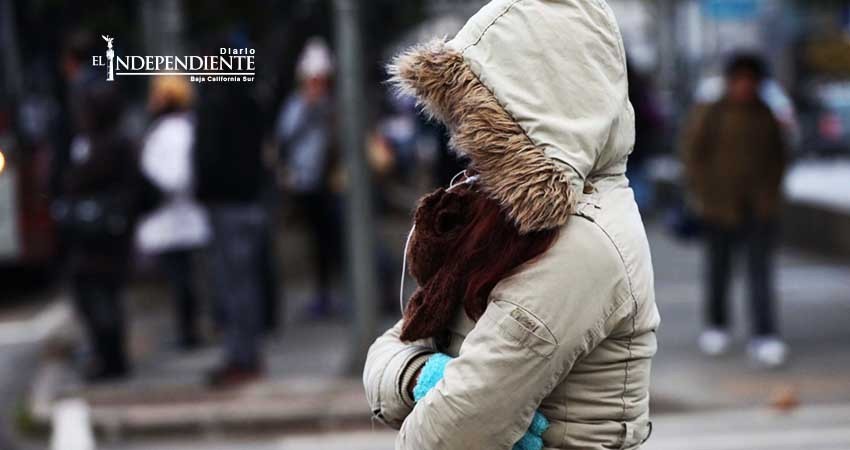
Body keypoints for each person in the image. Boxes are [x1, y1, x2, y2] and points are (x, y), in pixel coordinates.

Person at [363, 1, 660, 449]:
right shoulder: (500, 218)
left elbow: (449, 433)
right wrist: (420, 377)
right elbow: (391, 346)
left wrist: (433, 383)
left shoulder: (581, 243)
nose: (466, 137)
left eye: (486, 115)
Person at [681, 53, 789, 367]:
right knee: (718, 270)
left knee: (760, 274)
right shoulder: (710, 114)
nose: (744, 86)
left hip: (759, 208)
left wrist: (770, 195)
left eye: (750, 80)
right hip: (718, 207)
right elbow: (692, 154)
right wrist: (703, 194)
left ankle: (765, 334)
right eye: (739, 79)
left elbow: (779, 157)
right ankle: (717, 325)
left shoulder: (766, 114)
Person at [195, 71, 268, 388]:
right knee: (245, 284)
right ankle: (245, 353)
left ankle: (242, 356)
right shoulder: (251, 103)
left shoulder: (216, 107)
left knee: (234, 287)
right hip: (249, 201)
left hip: (227, 205)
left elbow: (208, 157)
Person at [60, 85, 138, 381]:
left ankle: (111, 358)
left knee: (100, 296)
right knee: (100, 295)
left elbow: (85, 179)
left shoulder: (107, 146)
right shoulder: (95, 143)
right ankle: (108, 355)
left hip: (102, 233)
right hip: (99, 233)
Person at [136, 76, 210, 350]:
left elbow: (176, 176)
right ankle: (187, 330)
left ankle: (189, 332)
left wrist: (153, 187)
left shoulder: (174, 132)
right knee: (181, 278)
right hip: (175, 217)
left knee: (183, 280)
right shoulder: (177, 129)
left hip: (176, 216)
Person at [275, 37, 342, 318]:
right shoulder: (296, 106)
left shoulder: (333, 106)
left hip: (330, 184)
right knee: (316, 243)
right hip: (306, 184)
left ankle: (334, 294)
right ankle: (322, 294)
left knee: (333, 241)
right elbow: (285, 136)